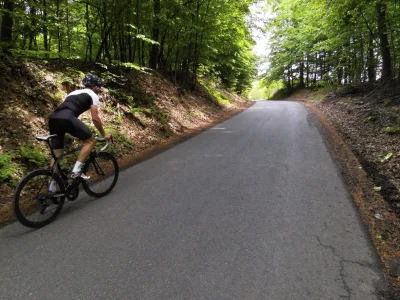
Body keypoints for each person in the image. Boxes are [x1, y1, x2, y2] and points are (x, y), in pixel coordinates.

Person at [48, 74, 112, 185]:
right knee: (91, 140)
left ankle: (51, 188)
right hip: (67, 117)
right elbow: (95, 118)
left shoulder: (74, 93)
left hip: (54, 118)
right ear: (94, 86)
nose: (99, 89)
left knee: (57, 154)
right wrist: (104, 134)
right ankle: (76, 171)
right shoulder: (93, 95)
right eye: (99, 86)